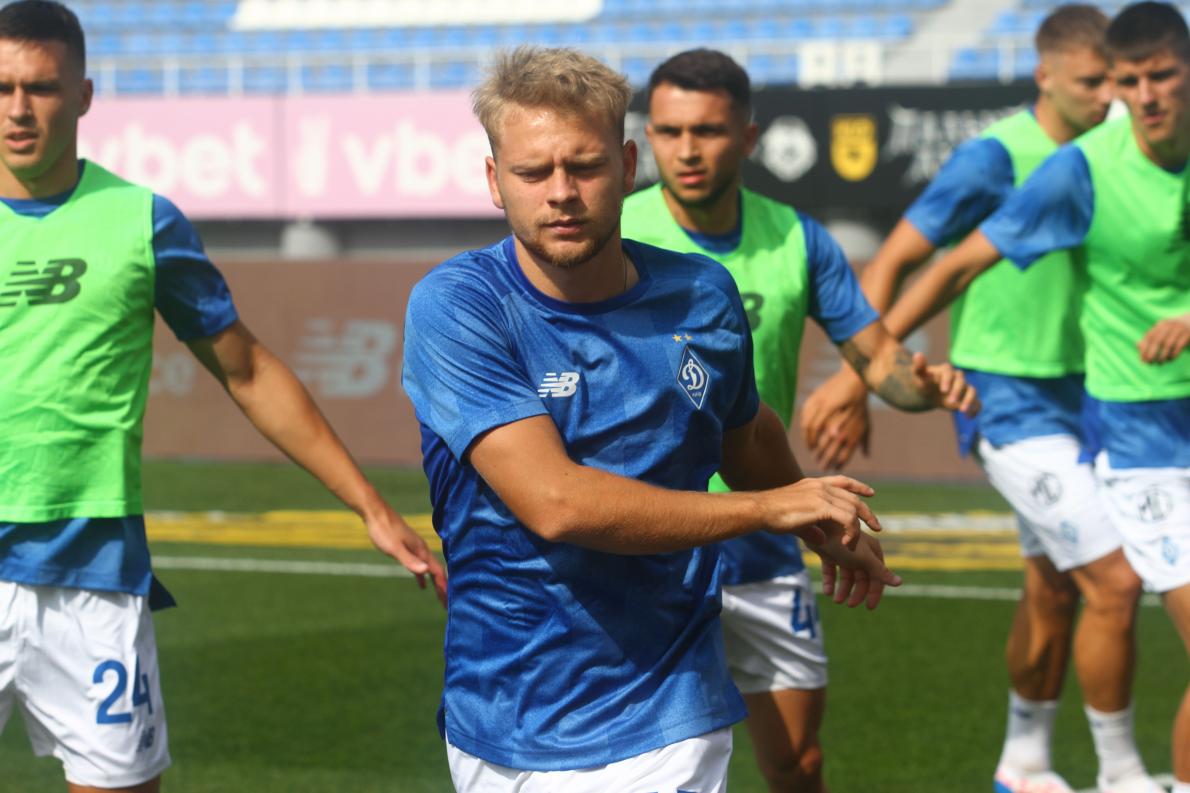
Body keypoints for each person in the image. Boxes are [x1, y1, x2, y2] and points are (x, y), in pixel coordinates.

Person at [401, 45, 903, 793]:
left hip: (672, 702)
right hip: (508, 712)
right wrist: (772, 509)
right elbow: (557, 503)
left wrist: (818, 523)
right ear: (494, 180)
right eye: (534, 173)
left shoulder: (702, 294)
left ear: (628, 165)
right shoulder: (459, 307)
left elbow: (747, 431)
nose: (562, 193)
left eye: (586, 166)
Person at [0, 3, 447, 792]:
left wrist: (370, 506)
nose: (18, 109)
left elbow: (248, 372)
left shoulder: (142, 221)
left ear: (84, 95)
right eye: (1, 88)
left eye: (41, 87)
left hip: (95, 576)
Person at [803, 7, 1166, 792]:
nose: (1110, 96)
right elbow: (900, 259)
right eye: (1092, 81)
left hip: (1091, 395)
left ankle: (1023, 762)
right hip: (1004, 395)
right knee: (1113, 576)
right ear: (1045, 77)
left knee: (1053, 584)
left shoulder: (1121, 152)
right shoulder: (995, 157)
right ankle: (1122, 773)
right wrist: (859, 376)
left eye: (1116, 80)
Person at [619, 48, 978, 793]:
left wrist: (923, 386)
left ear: (748, 138)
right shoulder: (614, 231)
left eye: (709, 130)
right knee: (651, 765)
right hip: (649, 542)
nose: (687, 150)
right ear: (648, 137)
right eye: (670, 131)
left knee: (796, 762)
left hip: (764, 533)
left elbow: (878, 360)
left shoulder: (797, 238)